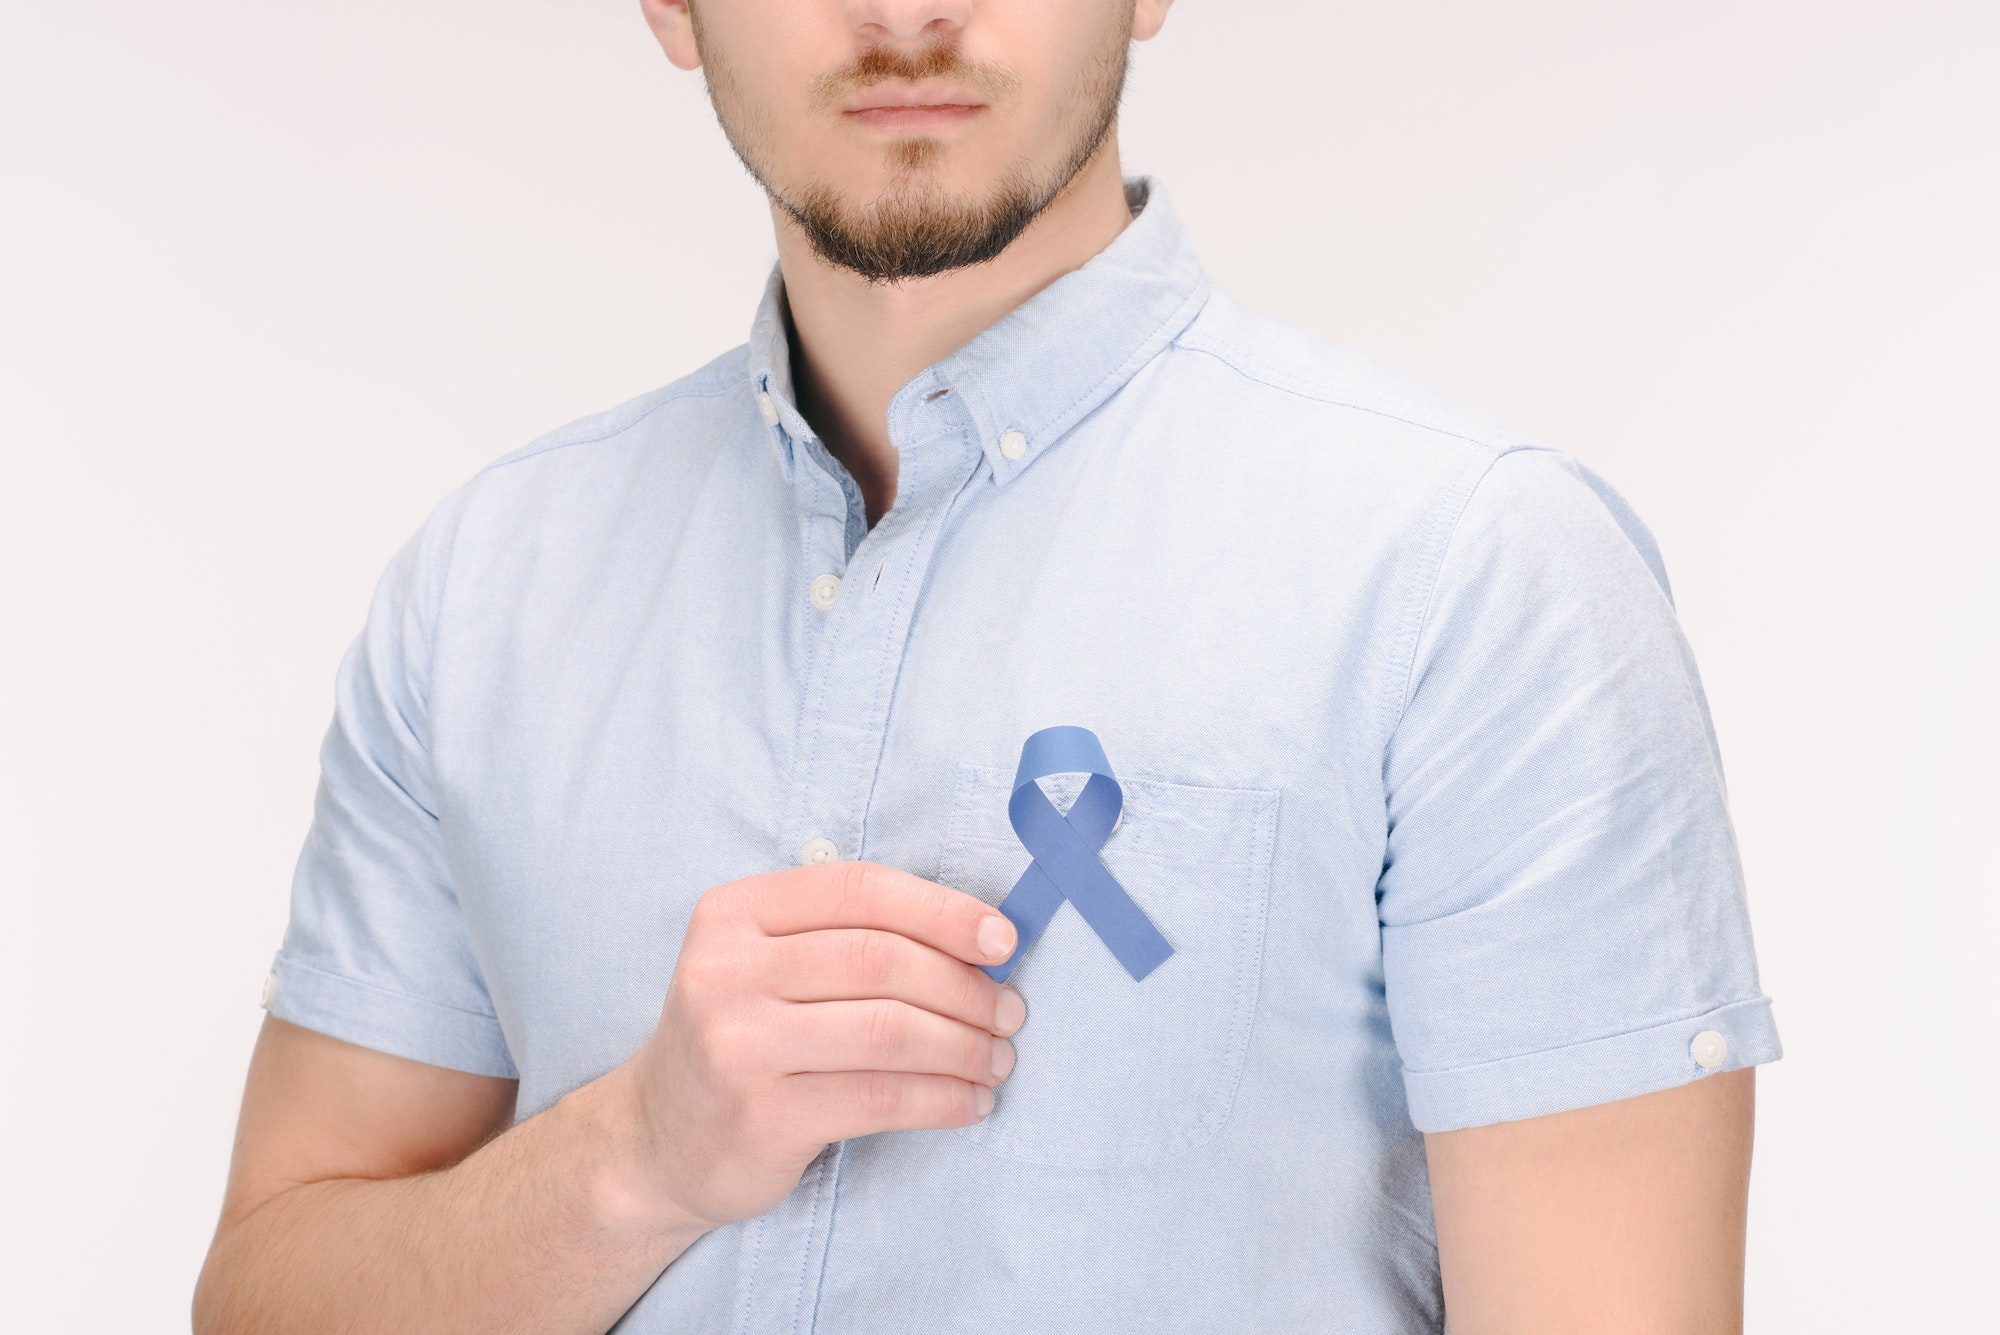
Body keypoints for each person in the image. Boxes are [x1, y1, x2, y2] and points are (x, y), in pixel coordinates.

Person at [193, 2, 1781, 1331]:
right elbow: (266, 1297)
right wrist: (633, 1160)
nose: (906, 13)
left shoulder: (1474, 578)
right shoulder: (488, 589)